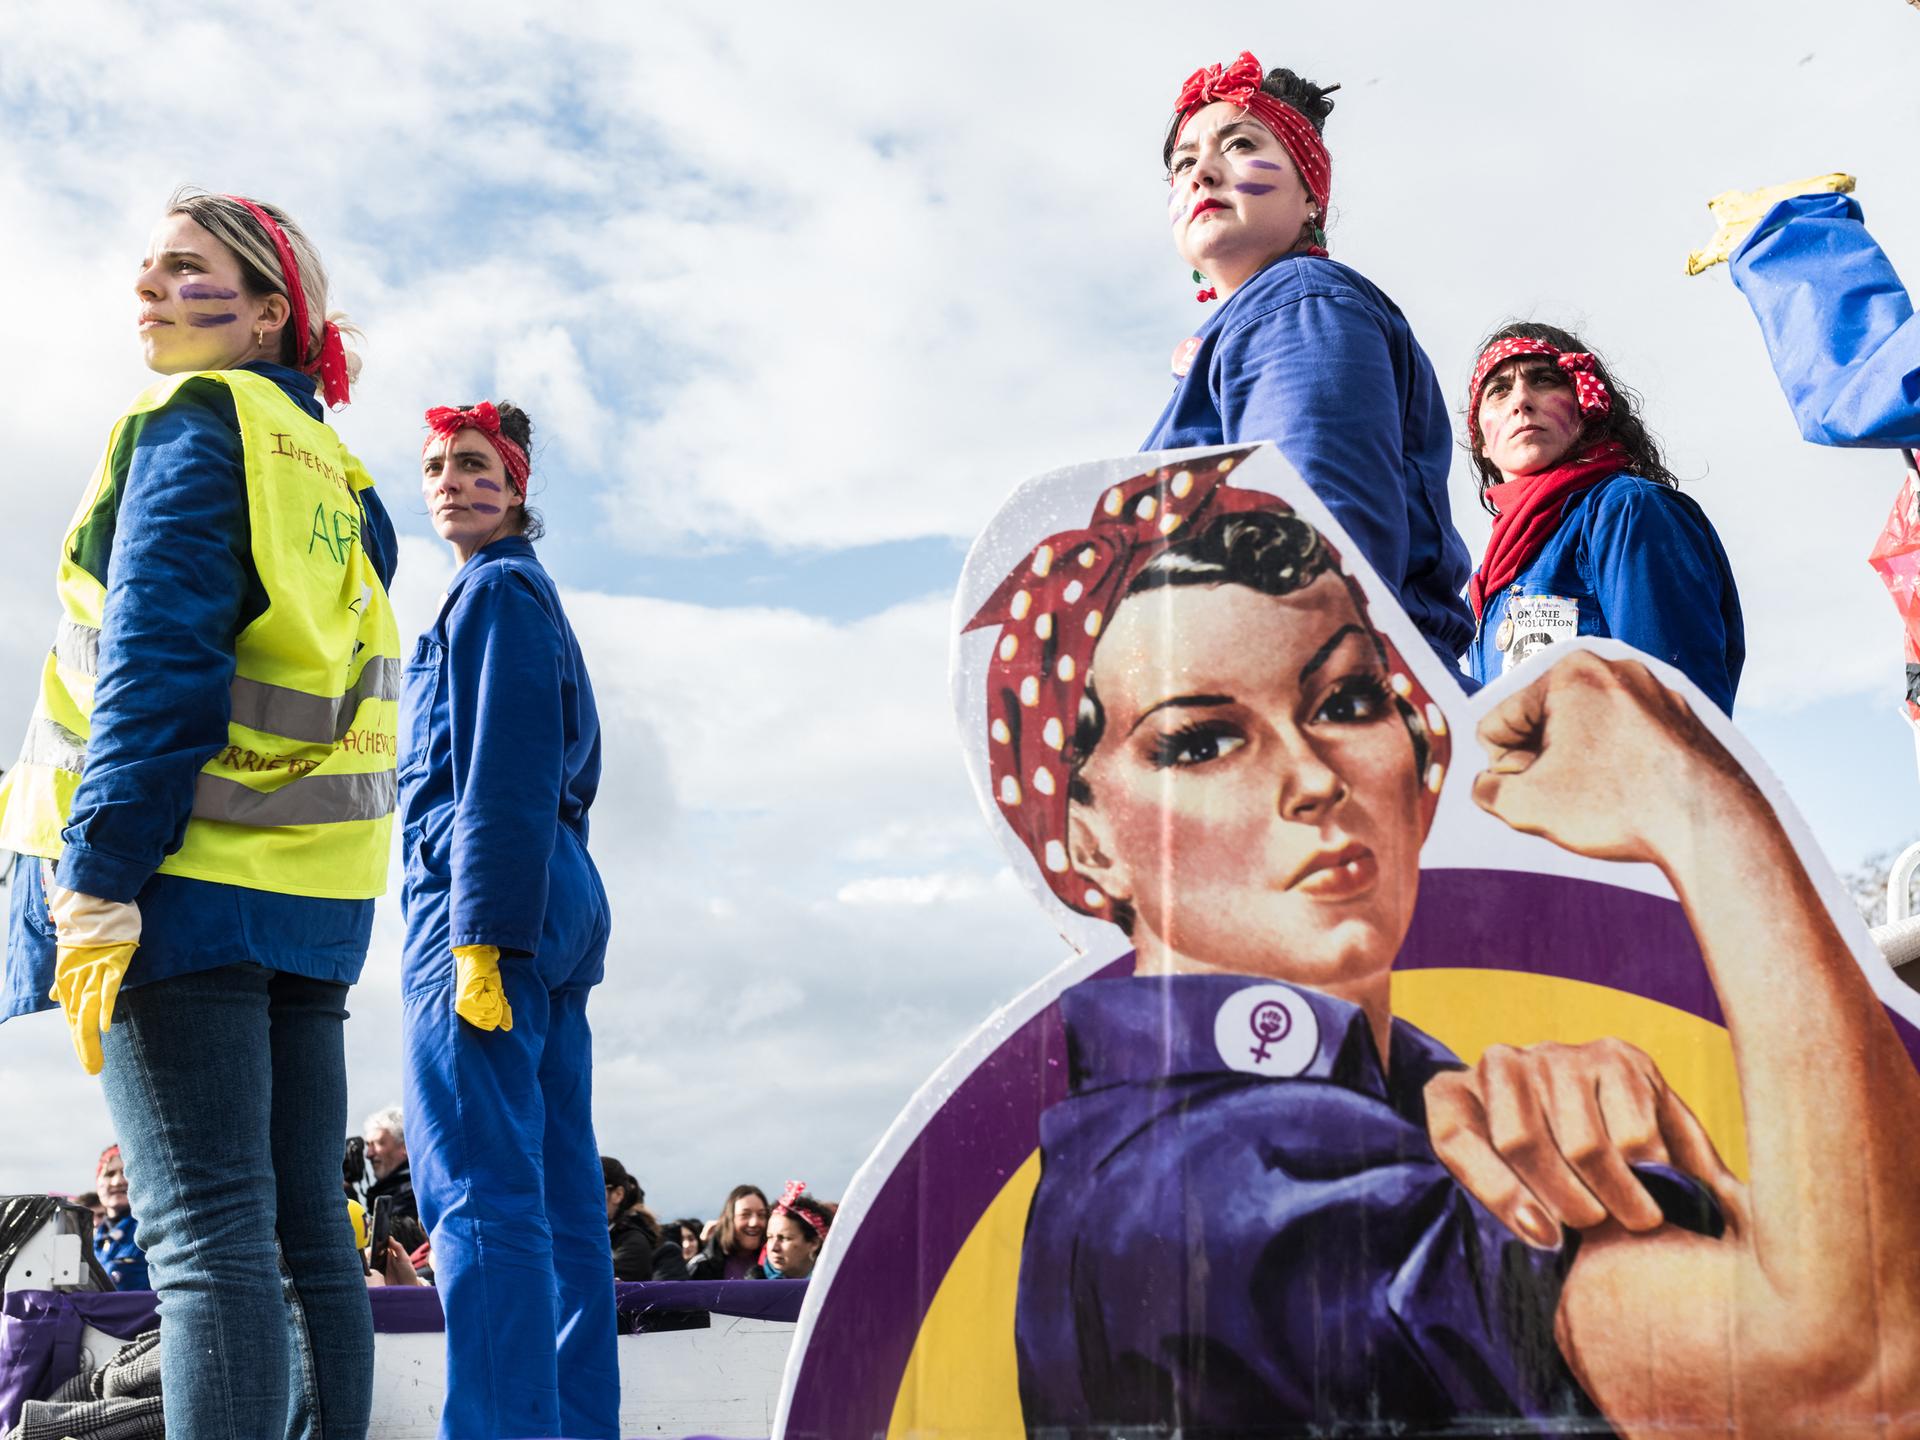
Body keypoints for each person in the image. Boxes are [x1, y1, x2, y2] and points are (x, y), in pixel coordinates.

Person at [966, 454, 1920, 1434]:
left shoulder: (1383, 1093)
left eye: (1343, 701)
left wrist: (1686, 1182)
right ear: (1087, 837)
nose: (1312, 777)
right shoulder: (1218, 1175)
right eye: (1201, 741)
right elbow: (1858, 1374)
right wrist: (1707, 819)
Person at [0, 188, 394, 1439]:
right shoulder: (339, 472)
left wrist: (102, 868)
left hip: (177, 878)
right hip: (311, 897)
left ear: (269, 312)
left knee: (206, 1246)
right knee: (303, 1239)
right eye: (147, 268)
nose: (149, 289)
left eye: (185, 268)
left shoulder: (189, 422)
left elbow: (156, 660)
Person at [399, 399, 617, 1440]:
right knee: (562, 1193)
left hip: (489, 907)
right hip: (556, 896)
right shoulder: (534, 598)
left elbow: (503, 775)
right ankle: (573, 1426)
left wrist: (478, 931)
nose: (450, 478)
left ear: (517, 485)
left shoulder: (492, 596)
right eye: (437, 463)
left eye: (475, 462)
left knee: (479, 1192)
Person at [1141, 51, 1473, 672]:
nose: (1201, 174)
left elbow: (1311, 554)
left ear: (1310, 197)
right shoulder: (1257, 321)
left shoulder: (1299, 304)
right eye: (1183, 163)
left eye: (1238, 144)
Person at [1463, 324, 1744, 713]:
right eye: (1499, 390)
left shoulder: (1626, 512)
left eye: (1545, 380)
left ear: (1587, 403)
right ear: (1479, 438)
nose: (1521, 401)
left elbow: (1673, 716)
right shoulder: (1483, 581)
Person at [603, 1156, 688, 1282]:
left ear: (618, 1194)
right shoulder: (602, 1238)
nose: (581, 1196)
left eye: (591, 1188)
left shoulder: (633, 1242)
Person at [90, 1144, 148, 1291]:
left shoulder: (152, 1229)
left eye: (126, 1172)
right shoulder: (88, 1240)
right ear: (98, 1184)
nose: (118, 1181)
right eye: (109, 1174)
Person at [686, 1185, 769, 1280]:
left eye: (761, 1215)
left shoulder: (775, 1266)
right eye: (745, 1215)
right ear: (729, 1219)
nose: (754, 1222)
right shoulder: (701, 1267)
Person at [751, 1182, 830, 1280]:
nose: (773, 1248)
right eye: (770, 1237)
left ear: (814, 1243)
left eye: (784, 1238)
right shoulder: (755, 1284)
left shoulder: (833, 1284)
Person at [361, 1105, 417, 1225]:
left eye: (378, 1144)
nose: (368, 1154)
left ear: (405, 1146)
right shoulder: (385, 1192)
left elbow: (389, 1237)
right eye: (368, 1145)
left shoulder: (415, 1193)